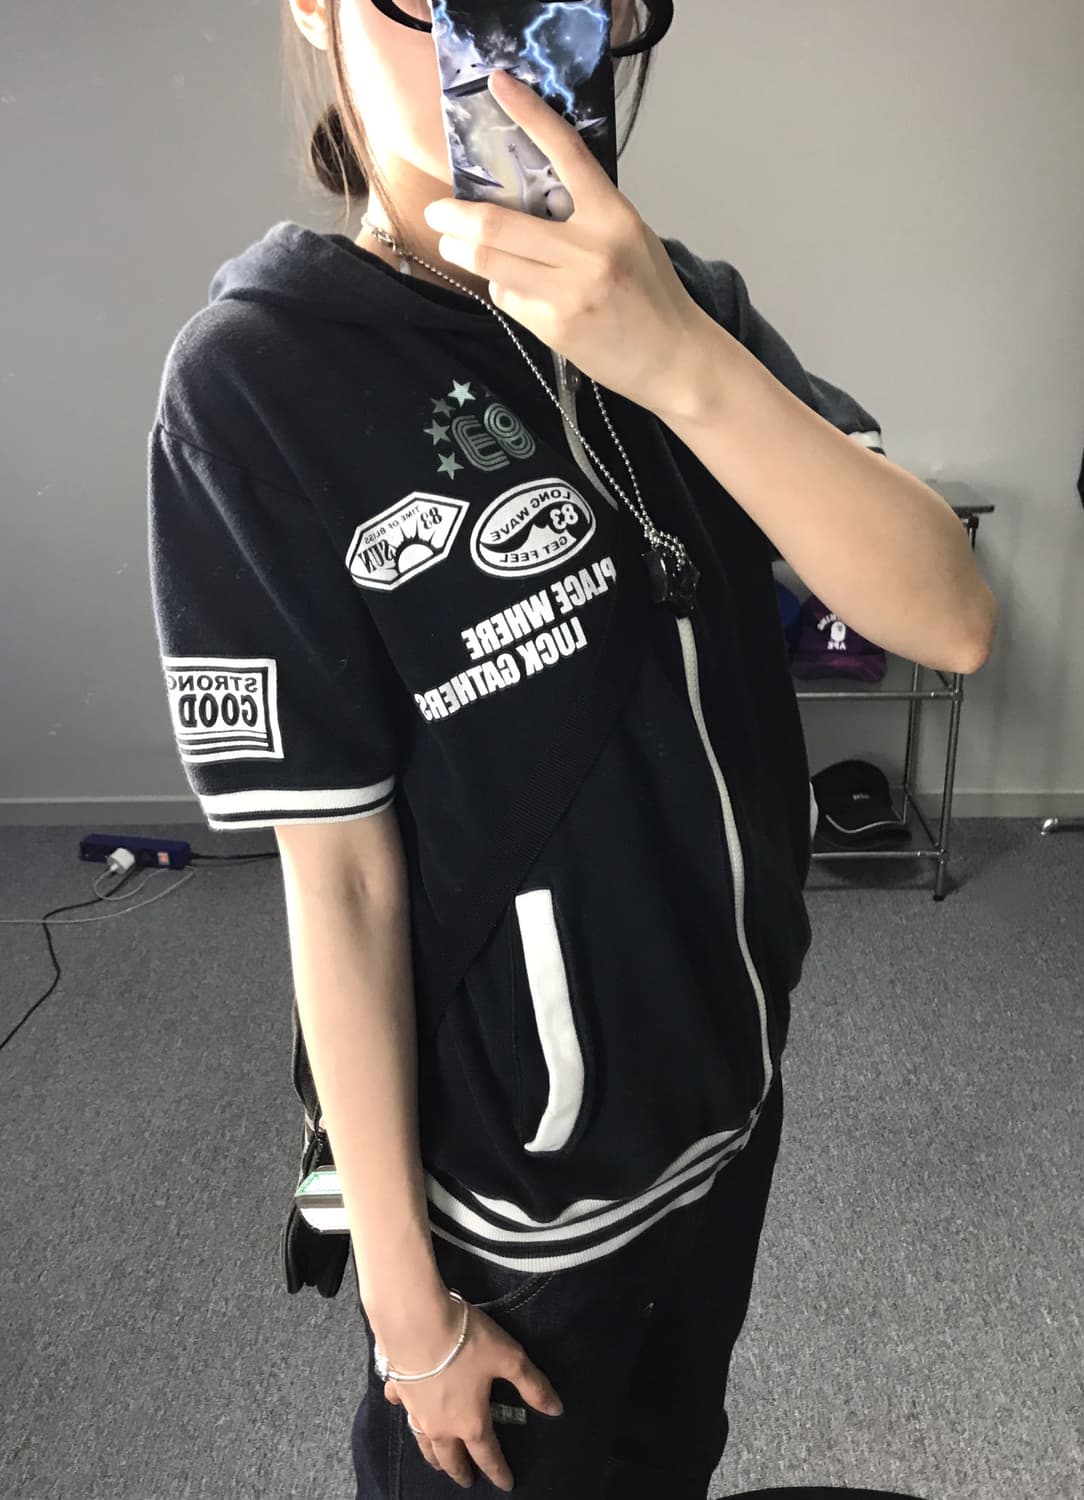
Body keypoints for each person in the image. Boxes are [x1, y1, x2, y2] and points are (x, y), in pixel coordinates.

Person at [145, 2, 998, 1496]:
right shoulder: (257, 380)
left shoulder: (686, 304)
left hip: (725, 1108)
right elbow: (337, 878)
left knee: (668, 1459)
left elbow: (949, 618)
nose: (503, 47)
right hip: (509, 1215)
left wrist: (678, 359)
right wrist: (409, 1317)